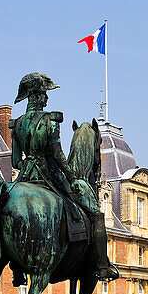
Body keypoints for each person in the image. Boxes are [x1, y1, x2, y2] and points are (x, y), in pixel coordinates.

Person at [9, 72, 119, 282]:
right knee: (95, 215)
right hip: (49, 174)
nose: (47, 98)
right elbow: (58, 155)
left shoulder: (17, 124)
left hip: (23, 178)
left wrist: (27, 165)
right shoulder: (50, 120)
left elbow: (16, 161)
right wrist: (71, 177)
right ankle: (103, 265)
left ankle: (17, 269)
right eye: (45, 94)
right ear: (38, 96)